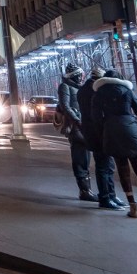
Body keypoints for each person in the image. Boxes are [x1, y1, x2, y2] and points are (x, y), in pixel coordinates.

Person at [92, 69, 137, 218]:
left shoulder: (99, 94)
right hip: (130, 131)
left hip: (112, 133)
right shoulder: (127, 91)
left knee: (123, 171)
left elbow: (96, 117)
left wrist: (103, 131)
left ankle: (133, 207)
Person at [77, 63, 123, 210]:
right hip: (99, 132)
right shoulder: (95, 91)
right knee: (104, 166)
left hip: (92, 132)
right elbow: (98, 114)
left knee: (107, 164)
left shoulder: (83, 90)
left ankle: (110, 195)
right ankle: (106, 198)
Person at [57, 63, 98, 202]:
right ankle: (84, 190)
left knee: (85, 157)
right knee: (80, 156)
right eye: (80, 75)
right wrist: (76, 120)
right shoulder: (65, 87)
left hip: (84, 125)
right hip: (75, 127)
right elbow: (65, 106)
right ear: (75, 75)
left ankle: (87, 189)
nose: (82, 77)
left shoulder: (80, 88)